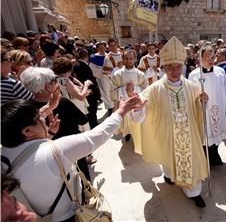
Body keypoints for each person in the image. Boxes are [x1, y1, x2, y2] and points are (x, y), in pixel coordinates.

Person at [1, 96, 144, 221]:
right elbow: (95, 137)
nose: (43, 119)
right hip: (70, 215)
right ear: (27, 131)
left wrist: (48, 133)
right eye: (38, 118)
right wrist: (121, 111)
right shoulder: (55, 150)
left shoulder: (3, 156)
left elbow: (30, 155)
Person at [131, 36, 209, 207]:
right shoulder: (154, 89)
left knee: (192, 163)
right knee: (168, 157)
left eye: (178, 66)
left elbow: (200, 110)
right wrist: (138, 107)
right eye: (170, 67)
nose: (175, 70)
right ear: (163, 67)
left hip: (190, 136)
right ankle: (168, 174)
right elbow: (140, 114)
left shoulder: (192, 86)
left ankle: (194, 192)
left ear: (183, 66)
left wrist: (203, 101)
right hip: (167, 133)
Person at [189, 42, 226, 166]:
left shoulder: (220, 72)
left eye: (212, 57)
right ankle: (204, 158)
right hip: (203, 110)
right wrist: (198, 98)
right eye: (207, 57)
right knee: (204, 136)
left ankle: (214, 155)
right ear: (200, 58)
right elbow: (190, 94)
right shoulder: (194, 75)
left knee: (217, 135)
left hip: (217, 110)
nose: (210, 60)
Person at [110, 49, 148, 151]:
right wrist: (124, 90)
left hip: (136, 106)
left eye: (131, 58)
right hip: (123, 105)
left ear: (135, 59)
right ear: (122, 59)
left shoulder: (140, 74)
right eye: (126, 58)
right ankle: (127, 134)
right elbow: (112, 92)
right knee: (125, 124)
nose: (129, 61)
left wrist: (134, 89)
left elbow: (146, 90)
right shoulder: (117, 75)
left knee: (137, 125)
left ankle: (136, 138)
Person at [89, 41, 114, 115]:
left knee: (112, 91)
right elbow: (92, 69)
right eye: (100, 48)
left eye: (103, 47)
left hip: (112, 77)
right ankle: (110, 107)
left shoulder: (109, 55)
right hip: (102, 78)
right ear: (97, 49)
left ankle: (114, 105)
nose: (102, 49)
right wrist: (103, 71)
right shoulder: (94, 57)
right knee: (105, 92)